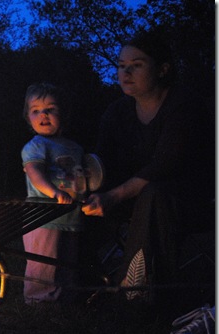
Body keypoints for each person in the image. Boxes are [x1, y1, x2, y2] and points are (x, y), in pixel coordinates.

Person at [81, 28, 214, 303]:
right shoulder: (118, 112)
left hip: (188, 202)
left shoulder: (184, 106)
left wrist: (113, 195)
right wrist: (80, 180)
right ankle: (81, 284)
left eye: (136, 65)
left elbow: (165, 166)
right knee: (81, 199)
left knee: (154, 193)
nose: (125, 72)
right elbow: (101, 161)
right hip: (132, 199)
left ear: (162, 69)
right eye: (121, 66)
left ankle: (137, 293)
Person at [20, 83, 85, 304]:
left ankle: (65, 299)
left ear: (63, 114)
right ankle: (38, 302)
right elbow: (34, 172)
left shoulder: (75, 148)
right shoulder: (36, 146)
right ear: (28, 117)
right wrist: (54, 192)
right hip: (42, 215)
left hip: (70, 214)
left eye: (50, 108)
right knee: (43, 262)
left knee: (68, 261)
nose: (43, 114)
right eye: (36, 110)